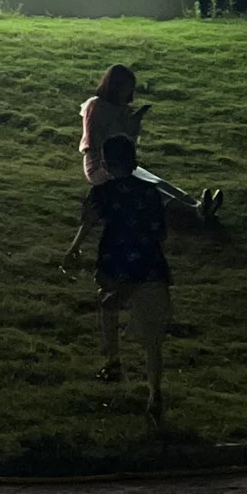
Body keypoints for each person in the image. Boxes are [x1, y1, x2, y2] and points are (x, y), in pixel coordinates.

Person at [63, 133, 173, 422]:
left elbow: (88, 222)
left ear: (107, 163)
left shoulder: (103, 192)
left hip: (117, 265)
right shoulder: (151, 193)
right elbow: (161, 233)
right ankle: (155, 393)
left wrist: (73, 249)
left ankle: (113, 361)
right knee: (153, 342)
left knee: (108, 303)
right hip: (150, 267)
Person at [80, 64, 222, 221]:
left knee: (157, 182)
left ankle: (198, 204)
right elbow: (94, 142)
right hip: (101, 166)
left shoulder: (120, 109)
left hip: (120, 161)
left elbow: (127, 142)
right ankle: (194, 211)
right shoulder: (96, 107)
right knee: (147, 188)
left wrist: (133, 126)